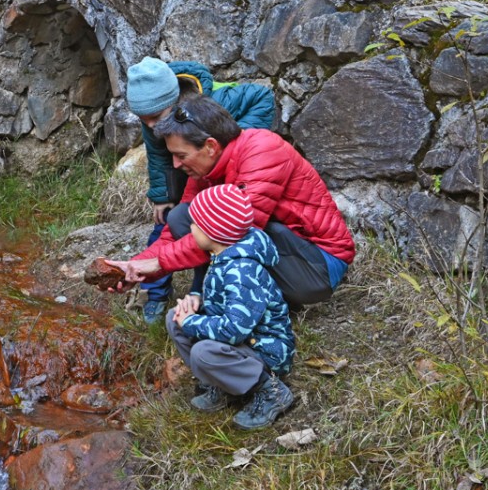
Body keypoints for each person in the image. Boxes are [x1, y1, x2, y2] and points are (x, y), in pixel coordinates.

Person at [106, 95, 354, 308]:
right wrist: (135, 268)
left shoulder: (262, 150)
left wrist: (158, 262)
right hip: (286, 251)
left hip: (317, 268)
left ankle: (238, 300)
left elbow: (231, 233)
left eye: (181, 155)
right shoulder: (206, 170)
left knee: (225, 224)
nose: (176, 165)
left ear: (211, 146)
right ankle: (233, 297)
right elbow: (173, 233)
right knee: (183, 216)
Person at [125, 57, 277, 322]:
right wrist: (163, 197)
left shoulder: (217, 102)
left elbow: (263, 97)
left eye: (155, 118)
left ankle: (204, 292)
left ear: (172, 103)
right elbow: (158, 156)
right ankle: (154, 293)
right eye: (143, 119)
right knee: (168, 224)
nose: (150, 125)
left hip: (218, 168)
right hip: (188, 168)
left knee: (212, 232)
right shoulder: (153, 115)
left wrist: (232, 146)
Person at [166, 182, 297, 430]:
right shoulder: (224, 255)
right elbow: (227, 303)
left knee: (203, 351)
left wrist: (192, 322)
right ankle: (223, 382)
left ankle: (271, 391)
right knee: (175, 317)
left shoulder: (242, 270)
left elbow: (235, 329)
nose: (191, 227)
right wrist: (198, 300)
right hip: (243, 341)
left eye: (195, 224)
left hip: (265, 350)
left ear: (212, 232)